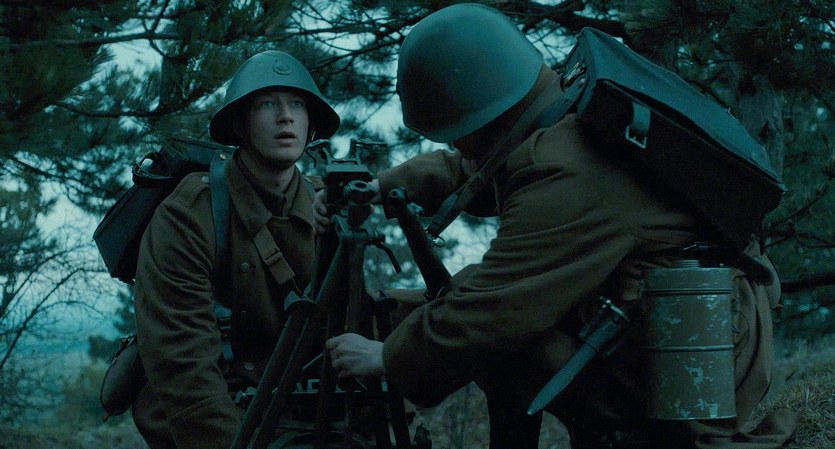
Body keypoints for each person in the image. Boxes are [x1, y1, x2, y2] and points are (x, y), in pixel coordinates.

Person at [323, 4, 796, 449]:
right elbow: (478, 169)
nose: (453, 144)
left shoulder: (565, 170)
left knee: (494, 330)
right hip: (672, 327)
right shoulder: (561, 108)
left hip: (695, 367)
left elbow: (494, 308)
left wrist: (387, 357)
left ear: (474, 113)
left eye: (453, 131)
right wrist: (382, 186)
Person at [132, 50, 340, 449]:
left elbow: (350, 327)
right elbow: (183, 366)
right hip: (213, 414)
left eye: (298, 104)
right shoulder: (189, 214)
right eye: (267, 104)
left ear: (312, 123)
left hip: (300, 407)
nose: (286, 117)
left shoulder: (327, 206)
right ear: (240, 124)